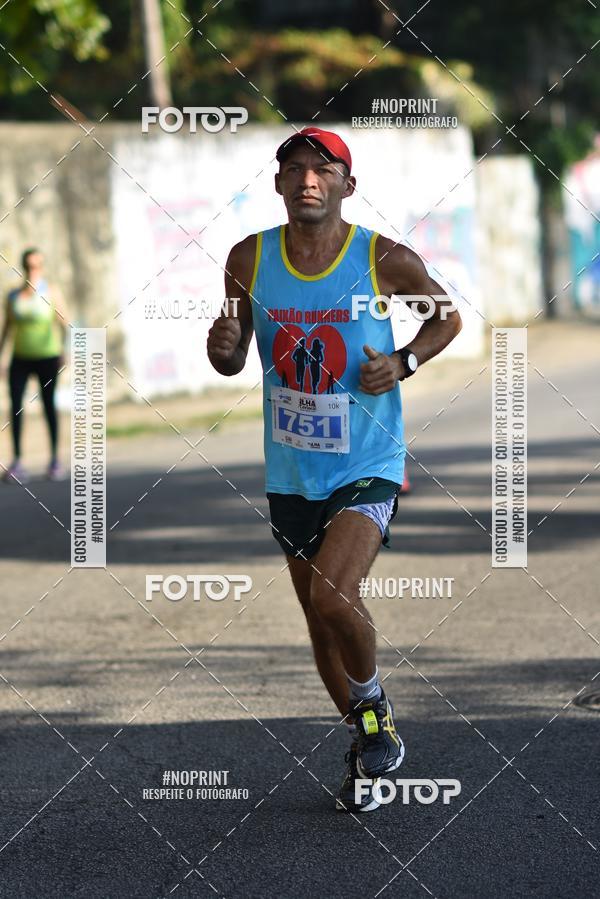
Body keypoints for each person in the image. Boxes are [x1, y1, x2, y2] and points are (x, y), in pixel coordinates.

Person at [207, 127, 462, 812]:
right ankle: (367, 744)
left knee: (332, 595)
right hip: (292, 471)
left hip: (367, 461)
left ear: (348, 185)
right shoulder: (247, 258)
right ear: (279, 184)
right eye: (294, 169)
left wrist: (406, 360)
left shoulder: (381, 257)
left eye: (323, 170)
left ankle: (374, 709)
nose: (308, 181)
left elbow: (447, 316)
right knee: (320, 625)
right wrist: (222, 345)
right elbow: (230, 357)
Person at [0, 248, 69, 483]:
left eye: (37, 265)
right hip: (20, 358)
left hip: (47, 357)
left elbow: (63, 323)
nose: (33, 270)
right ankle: (17, 461)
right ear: (24, 267)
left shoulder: (51, 292)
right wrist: (1, 358)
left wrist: (64, 351)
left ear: (42, 266)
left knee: (48, 405)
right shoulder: (13, 296)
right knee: (16, 407)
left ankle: (54, 460)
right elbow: (7, 329)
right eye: (29, 266)